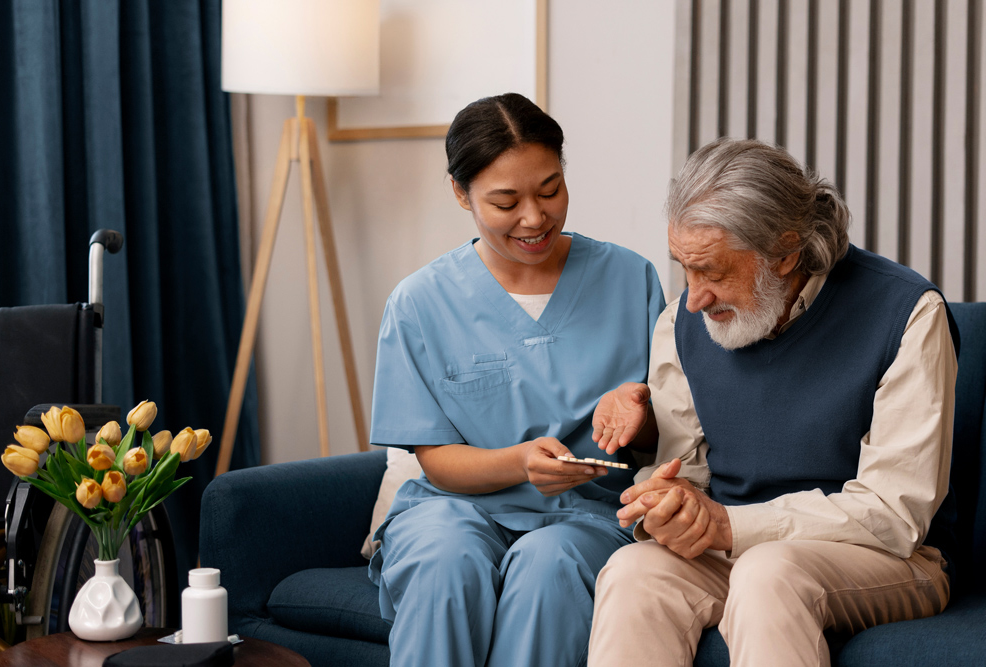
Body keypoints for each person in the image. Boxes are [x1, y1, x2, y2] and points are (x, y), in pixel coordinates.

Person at [587, 137, 957, 667]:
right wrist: (667, 506)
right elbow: (685, 474)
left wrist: (731, 527)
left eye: (712, 272)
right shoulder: (682, 325)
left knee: (769, 572)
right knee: (632, 572)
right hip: (738, 544)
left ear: (785, 253)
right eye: (684, 268)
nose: (693, 297)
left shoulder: (908, 313)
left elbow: (894, 513)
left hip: (891, 558)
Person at [366, 93, 665, 667]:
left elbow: (666, 436)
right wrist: (519, 463)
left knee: (550, 565)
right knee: (443, 563)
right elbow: (435, 457)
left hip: (587, 513)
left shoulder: (630, 279)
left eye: (550, 190)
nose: (535, 218)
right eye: (506, 201)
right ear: (461, 193)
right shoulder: (419, 303)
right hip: (452, 507)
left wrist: (638, 411)